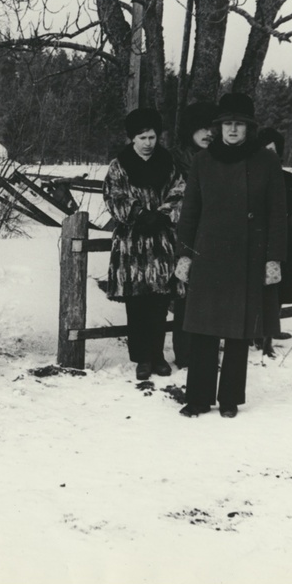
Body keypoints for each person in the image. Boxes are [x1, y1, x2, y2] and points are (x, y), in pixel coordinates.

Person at [174, 93, 286, 417]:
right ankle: (197, 397)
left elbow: (278, 213)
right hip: (208, 255)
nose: (232, 130)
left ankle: (229, 400)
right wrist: (185, 254)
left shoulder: (266, 161)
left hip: (249, 256)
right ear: (218, 127)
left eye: (239, 124)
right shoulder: (203, 161)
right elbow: (190, 212)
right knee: (204, 329)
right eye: (227, 124)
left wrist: (274, 258)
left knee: (238, 333)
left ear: (248, 128)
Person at [103, 108, 185, 381]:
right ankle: (142, 358)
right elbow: (114, 197)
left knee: (160, 301)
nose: (149, 142)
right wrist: (139, 214)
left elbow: (179, 193)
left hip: (161, 243)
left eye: (152, 136)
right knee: (137, 303)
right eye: (142, 137)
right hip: (132, 245)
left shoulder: (168, 163)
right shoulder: (119, 165)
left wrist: (161, 215)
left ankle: (159, 355)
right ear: (132, 139)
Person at [170, 101, 218, 368]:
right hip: (183, 237)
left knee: (211, 295)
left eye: (211, 127)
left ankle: (207, 353)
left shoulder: (219, 157)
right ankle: (185, 354)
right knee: (184, 295)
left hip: (214, 238)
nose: (207, 133)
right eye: (201, 127)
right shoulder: (176, 160)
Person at [256, 126, 292, 357]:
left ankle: (271, 332)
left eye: (272, 150)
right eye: (264, 149)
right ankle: (255, 333)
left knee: (278, 289)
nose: (268, 154)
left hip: (284, 244)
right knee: (258, 289)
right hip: (259, 243)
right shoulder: (251, 176)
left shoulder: (286, 177)